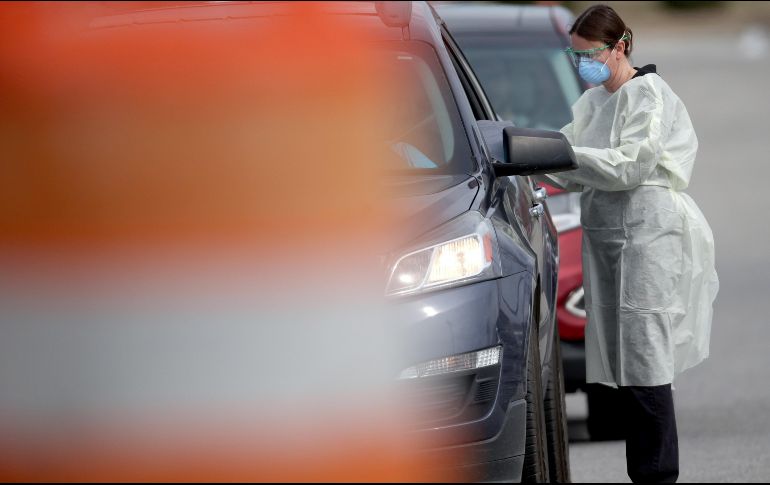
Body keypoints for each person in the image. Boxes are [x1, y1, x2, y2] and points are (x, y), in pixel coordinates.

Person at [540, 4, 719, 483]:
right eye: (575, 56)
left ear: (620, 46)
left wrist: (566, 154)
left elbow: (630, 165)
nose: (584, 65)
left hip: (647, 234)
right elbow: (568, 159)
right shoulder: (595, 102)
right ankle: (643, 472)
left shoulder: (649, 95)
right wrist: (528, 155)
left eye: (590, 54)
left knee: (647, 360)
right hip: (608, 236)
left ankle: (657, 474)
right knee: (623, 365)